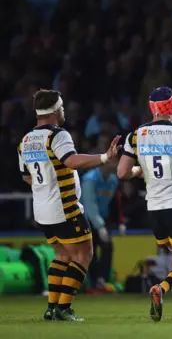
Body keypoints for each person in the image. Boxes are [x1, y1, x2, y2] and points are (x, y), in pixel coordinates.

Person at [17, 89, 120, 321]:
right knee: (85, 254)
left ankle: (51, 308)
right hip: (64, 207)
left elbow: (26, 176)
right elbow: (71, 161)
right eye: (62, 107)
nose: (63, 111)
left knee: (62, 256)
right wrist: (104, 157)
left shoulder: (25, 140)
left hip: (42, 211)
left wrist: (45, 187)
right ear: (54, 110)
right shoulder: (58, 135)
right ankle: (64, 308)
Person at [117, 87, 172, 321]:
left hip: (154, 210)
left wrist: (140, 170)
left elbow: (122, 172)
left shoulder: (135, 135)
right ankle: (161, 288)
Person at [81, 158, 119, 292]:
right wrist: (100, 226)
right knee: (91, 252)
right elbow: (89, 205)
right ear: (107, 163)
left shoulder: (113, 180)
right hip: (85, 218)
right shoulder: (90, 179)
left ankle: (102, 280)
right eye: (116, 161)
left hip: (103, 218)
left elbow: (113, 203)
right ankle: (93, 282)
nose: (118, 164)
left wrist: (119, 222)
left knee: (108, 247)